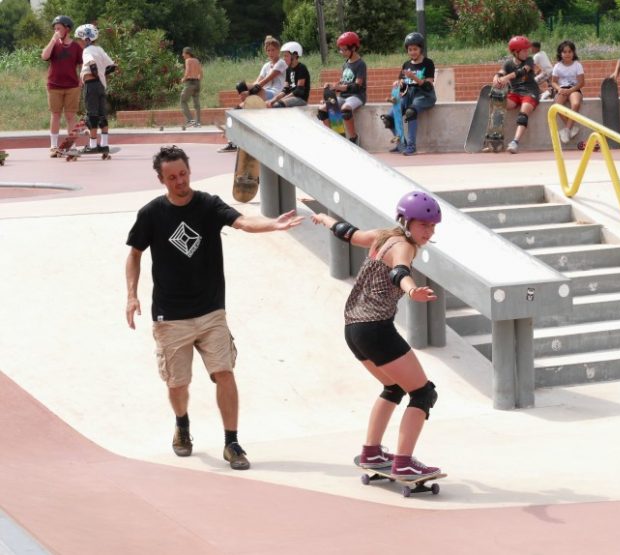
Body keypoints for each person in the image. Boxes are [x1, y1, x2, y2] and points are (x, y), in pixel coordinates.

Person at [125, 146, 305, 471]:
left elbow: (243, 222)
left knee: (224, 373)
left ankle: (232, 442)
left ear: (189, 171)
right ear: (161, 179)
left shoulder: (208, 204)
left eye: (183, 174)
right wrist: (131, 295)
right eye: (172, 177)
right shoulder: (151, 214)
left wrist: (272, 225)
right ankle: (182, 424)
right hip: (170, 315)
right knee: (177, 384)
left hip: (210, 311)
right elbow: (135, 253)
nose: (180, 181)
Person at [310, 191, 442, 480]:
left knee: (394, 387)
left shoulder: (382, 236)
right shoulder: (403, 246)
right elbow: (400, 272)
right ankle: (404, 462)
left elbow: (349, 234)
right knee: (423, 393)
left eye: (433, 227)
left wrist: (324, 219)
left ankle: (372, 452)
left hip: (353, 329)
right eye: (424, 225)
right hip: (376, 329)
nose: (429, 233)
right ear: (406, 222)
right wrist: (411, 291)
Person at [219, 36, 287, 153]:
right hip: (262, 92)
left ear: (278, 50)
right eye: (268, 50)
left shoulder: (281, 63)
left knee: (254, 93)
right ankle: (233, 140)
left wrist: (249, 92)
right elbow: (257, 81)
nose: (271, 53)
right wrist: (245, 92)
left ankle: (242, 107)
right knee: (240, 85)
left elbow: (265, 81)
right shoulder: (266, 65)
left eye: (273, 50)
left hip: (274, 93)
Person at [41, 15, 83, 158]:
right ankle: (53, 146)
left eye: (59, 28)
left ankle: (72, 146)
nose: (56, 31)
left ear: (67, 29)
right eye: (55, 29)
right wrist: (53, 40)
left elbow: (81, 63)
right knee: (55, 114)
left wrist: (82, 77)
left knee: (71, 116)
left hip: (72, 86)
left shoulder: (76, 46)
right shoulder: (54, 44)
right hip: (54, 85)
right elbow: (44, 56)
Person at [317, 31, 367, 146]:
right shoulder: (346, 64)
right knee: (322, 109)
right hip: (343, 96)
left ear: (353, 48)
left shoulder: (360, 64)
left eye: (344, 49)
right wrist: (332, 86)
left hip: (357, 96)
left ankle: (354, 138)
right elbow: (343, 81)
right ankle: (334, 136)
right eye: (340, 49)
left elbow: (357, 85)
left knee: (345, 109)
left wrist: (340, 87)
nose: (342, 52)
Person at [493, 35, 540, 154]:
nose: (527, 52)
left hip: (530, 92)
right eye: (524, 50)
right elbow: (501, 73)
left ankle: (515, 142)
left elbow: (522, 71)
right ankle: (494, 137)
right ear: (515, 52)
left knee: (522, 115)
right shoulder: (508, 63)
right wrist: (496, 78)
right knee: (498, 104)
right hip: (514, 93)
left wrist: (506, 77)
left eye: (527, 50)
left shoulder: (529, 60)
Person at [391, 32, 436, 156]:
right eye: (410, 50)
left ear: (421, 49)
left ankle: (411, 147)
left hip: (424, 95)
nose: (412, 52)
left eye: (415, 49)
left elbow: (428, 86)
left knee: (411, 112)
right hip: (408, 95)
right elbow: (402, 82)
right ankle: (401, 144)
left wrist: (414, 78)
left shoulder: (428, 63)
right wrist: (398, 83)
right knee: (389, 117)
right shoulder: (406, 64)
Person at [73, 24, 116, 155]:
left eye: (79, 39)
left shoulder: (87, 51)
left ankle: (92, 145)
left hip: (91, 85)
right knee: (102, 114)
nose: (78, 42)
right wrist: (101, 74)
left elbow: (91, 63)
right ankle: (104, 145)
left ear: (86, 39)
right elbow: (112, 66)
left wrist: (95, 73)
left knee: (92, 114)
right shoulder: (99, 49)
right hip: (101, 86)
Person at [550, 40, 585, 144]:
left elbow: (581, 82)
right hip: (562, 89)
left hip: (574, 89)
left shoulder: (577, 65)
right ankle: (571, 128)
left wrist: (571, 90)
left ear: (573, 52)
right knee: (557, 106)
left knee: (576, 103)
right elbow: (554, 82)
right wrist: (559, 89)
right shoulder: (557, 66)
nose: (567, 54)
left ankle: (566, 130)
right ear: (560, 53)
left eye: (569, 51)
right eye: (564, 52)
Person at [267, 41, 310, 108]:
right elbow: (285, 89)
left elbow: (299, 90)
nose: (284, 58)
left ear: (294, 55)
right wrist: (274, 99)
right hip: (290, 98)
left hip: (300, 99)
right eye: (284, 56)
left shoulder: (302, 68)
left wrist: (282, 99)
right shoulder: (288, 69)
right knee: (271, 103)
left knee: (277, 105)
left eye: (286, 56)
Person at [180, 47, 203, 127]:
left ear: (187, 53)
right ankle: (198, 122)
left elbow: (188, 70)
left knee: (183, 100)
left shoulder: (188, 60)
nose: (182, 55)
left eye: (183, 53)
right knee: (196, 104)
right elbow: (201, 72)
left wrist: (184, 78)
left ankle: (190, 120)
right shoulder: (196, 60)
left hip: (190, 82)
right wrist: (199, 79)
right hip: (197, 82)